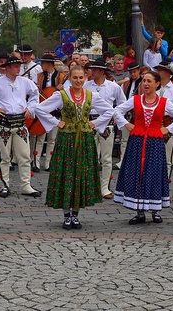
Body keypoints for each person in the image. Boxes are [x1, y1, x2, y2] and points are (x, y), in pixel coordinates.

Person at [35, 65, 114, 229]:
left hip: (85, 139)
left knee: (80, 175)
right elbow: (40, 108)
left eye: (81, 78)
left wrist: (94, 123)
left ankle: (76, 214)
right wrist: (57, 122)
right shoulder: (62, 95)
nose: (78, 81)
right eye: (75, 78)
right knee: (66, 173)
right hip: (67, 140)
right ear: (69, 79)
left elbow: (109, 110)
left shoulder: (91, 95)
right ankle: (66, 215)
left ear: (85, 78)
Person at [113, 71, 173, 224]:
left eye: (149, 81)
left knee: (154, 173)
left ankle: (155, 210)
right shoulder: (135, 100)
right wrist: (127, 124)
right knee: (137, 173)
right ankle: (139, 211)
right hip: (137, 141)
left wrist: (167, 129)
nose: (145, 84)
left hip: (154, 142)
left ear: (157, 84)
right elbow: (117, 110)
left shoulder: (164, 102)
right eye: (144, 81)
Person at [0, 55, 41, 198]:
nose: (18, 68)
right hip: (3, 123)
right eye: (16, 66)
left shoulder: (25, 82)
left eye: (19, 66)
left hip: (20, 122)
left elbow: (35, 95)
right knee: (4, 157)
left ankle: (26, 185)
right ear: (7, 68)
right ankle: (4, 184)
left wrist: (31, 108)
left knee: (24, 156)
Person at [83, 58, 126, 199]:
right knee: (90, 156)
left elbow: (122, 103)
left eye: (94, 69)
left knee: (106, 157)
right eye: (91, 69)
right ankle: (90, 186)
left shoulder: (114, 87)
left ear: (102, 72)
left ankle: (104, 187)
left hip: (106, 123)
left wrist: (116, 115)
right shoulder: (86, 85)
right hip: (89, 122)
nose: (91, 72)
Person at [29, 54, 66, 172]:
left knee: (52, 138)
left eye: (43, 63)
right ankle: (36, 162)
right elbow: (34, 93)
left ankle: (49, 163)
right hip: (42, 111)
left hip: (55, 111)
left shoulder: (61, 77)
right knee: (39, 138)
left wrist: (62, 89)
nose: (41, 65)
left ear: (48, 64)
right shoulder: (38, 76)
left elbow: (65, 94)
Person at [116, 62, 142, 170]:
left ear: (139, 71)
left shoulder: (143, 84)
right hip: (127, 114)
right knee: (124, 139)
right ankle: (122, 160)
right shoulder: (126, 84)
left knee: (138, 140)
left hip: (138, 114)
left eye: (135, 72)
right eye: (131, 72)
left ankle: (137, 162)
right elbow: (121, 100)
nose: (133, 74)